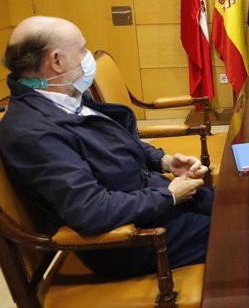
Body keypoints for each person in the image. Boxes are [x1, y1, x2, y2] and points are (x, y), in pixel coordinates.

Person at [0, 16, 213, 278]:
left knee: (238, 204)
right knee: (245, 235)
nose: (88, 56)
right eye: (82, 49)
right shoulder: (32, 132)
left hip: (151, 203)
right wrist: (168, 196)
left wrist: (164, 161)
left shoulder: (64, 96)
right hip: (132, 240)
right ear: (56, 61)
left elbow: (114, 141)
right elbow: (91, 210)